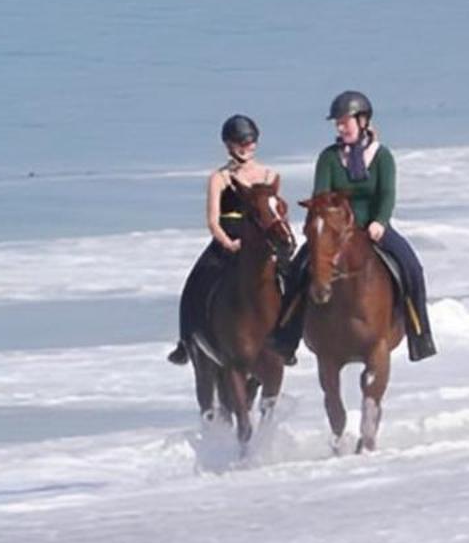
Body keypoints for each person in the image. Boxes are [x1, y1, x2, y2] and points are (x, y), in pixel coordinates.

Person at [276, 91, 438, 362]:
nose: (341, 127)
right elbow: (321, 196)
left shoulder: (382, 156)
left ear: (363, 121)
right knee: (297, 270)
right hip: (335, 231)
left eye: (345, 122)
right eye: (337, 123)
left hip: (373, 227)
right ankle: (286, 337)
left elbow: (386, 194)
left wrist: (380, 222)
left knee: (412, 267)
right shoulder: (329, 158)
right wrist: (329, 226)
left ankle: (420, 334)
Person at [168, 115, 297, 366]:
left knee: (290, 281)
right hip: (229, 239)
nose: (246, 147)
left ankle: (287, 338)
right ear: (228, 145)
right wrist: (228, 243)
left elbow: (276, 213)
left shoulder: (269, 176)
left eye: (249, 142)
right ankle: (186, 341)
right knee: (196, 281)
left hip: (261, 241)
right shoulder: (220, 178)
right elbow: (213, 220)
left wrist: (282, 243)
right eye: (240, 143)